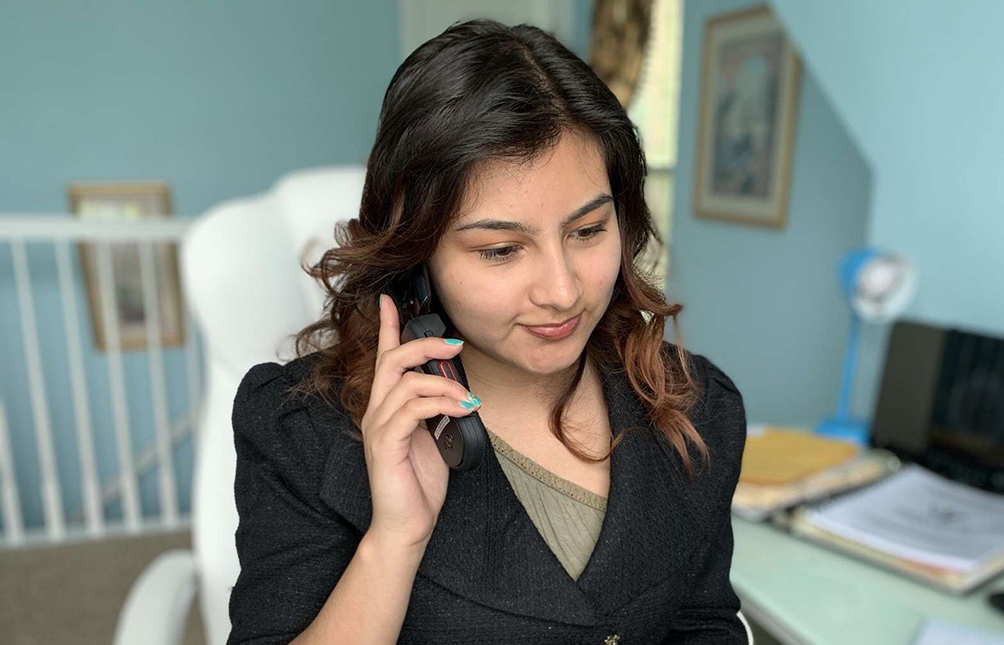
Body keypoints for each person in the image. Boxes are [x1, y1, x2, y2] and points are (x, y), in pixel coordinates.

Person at [227, 18, 748, 645]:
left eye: (588, 232)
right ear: (417, 253)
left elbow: (703, 622)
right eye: (501, 250)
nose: (562, 291)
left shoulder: (697, 406)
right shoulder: (301, 433)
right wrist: (394, 540)